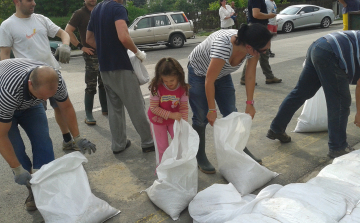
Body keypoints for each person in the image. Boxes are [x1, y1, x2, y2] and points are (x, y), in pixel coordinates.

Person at [0, 58, 96, 211]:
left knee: (43, 141)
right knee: (16, 149)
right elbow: (1, 136)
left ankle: (44, 188)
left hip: (31, 105)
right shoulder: (8, 91)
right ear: (30, 84)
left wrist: (78, 138)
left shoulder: (55, 79)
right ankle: (30, 186)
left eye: (47, 97)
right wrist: (16, 168)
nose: (45, 100)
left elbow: (66, 107)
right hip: (4, 107)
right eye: (42, 97)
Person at [188, 23, 274, 174]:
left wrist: (250, 103)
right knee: (202, 116)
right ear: (249, 47)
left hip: (221, 73)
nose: (266, 52)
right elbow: (209, 80)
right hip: (199, 73)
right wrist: (212, 109)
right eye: (264, 50)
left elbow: (250, 74)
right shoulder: (223, 47)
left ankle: (240, 147)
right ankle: (199, 155)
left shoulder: (252, 50)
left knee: (232, 113)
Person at [267, 31, 360, 159]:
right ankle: (338, 147)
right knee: (339, 103)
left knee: (301, 92)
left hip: (319, 46)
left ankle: (276, 128)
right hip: (331, 53)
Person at [0, 0, 77, 151]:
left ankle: (67, 139)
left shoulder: (41, 19)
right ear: (17, 1)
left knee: (61, 107)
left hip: (52, 74)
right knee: (39, 119)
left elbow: (63, 33)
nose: (34, 3)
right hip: (32, 82)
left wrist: (66, 45)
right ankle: (43, 150)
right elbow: (4, 55)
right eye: (29, 0)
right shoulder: (7, 25)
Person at [86, 0, 155, 154]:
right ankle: (148, 142)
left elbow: (89, 39)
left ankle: (118, 145)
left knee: (114, 108)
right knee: (136, 105)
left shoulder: (96, 10)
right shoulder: (118, 8)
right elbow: (123, 37)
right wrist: (137, 52)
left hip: (105, 68)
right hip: (121, 65)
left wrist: (106, 49)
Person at [65, 0, 108, 125]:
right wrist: (80, 46)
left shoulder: (101, 10)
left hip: (103, 53)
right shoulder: (79, 13)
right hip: (90, 55)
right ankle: (88, 114)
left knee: (104, 82)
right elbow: (68, 30)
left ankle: (105, 109)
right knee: (91, 85)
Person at [147, 57, 189, 165]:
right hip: (158, 121)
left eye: (172, 80)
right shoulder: (156, 87)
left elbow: (183, 107)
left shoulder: (183, 88)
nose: (169, 83)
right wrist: (171, 115)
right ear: (160, 77)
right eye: (165, 81)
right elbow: (154, 108)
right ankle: (162, 170)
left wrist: (184, 123)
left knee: (179, 143)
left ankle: (177, 167)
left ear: (179, 76)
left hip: (173, 120)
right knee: (162, 147)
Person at [240, 0, 281, 85]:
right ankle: (245, 78)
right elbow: (256, 14)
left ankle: (269, 76)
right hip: (257, 28)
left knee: (262, 54)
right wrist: (269, 15)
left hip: (258, 27)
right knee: (253, 54)